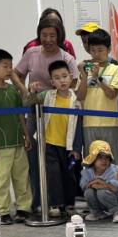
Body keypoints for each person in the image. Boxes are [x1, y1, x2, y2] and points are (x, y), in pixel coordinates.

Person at [13, 17, 79, 209]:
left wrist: (62, 93)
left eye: (52, 35)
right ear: (39, 35)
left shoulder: (67, 58)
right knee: (34, 157)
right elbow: (15, 74)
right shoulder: (32, 53)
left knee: (62, 161)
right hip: (35, 109)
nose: (48, 39)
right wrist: (26, 92)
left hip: (60, 113)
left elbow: (75, 82)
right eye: (44, 35)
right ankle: (37, 201)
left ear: (59, 36)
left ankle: (63, 202)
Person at [0, 49, 32, 225]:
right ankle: (2, 210)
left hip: (17, 142)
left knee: (22, 177)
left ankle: (24, 207)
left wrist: (26, 135)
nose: (9, 70)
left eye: (11, 66)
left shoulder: (13, 91)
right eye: (5, 66)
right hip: (0, 146)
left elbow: (20, 115)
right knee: (2, 179)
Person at [31, 60, 79, 217]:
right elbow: (31, 102)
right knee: (53, 175)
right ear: (52, 82)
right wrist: (32, 92)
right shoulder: (47, 96)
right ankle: (56, 204)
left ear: (71, 77)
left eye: (64, 76)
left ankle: (69, 204)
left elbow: (78, 126)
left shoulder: (76, 99)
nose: (62, 80)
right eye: (57, 78)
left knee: (69, 175)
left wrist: (76, 148)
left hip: (68, 146)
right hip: (49, 144)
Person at [75, 29, 118, 162]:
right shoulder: (86, 69)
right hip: (89, 123)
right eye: (93, 50)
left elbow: (112, 94)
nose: (96, 54)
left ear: (108, 49)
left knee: (113, 161)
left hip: (111, 123)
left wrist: (97, 78)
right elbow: (80, 96)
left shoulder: (115, 69)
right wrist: (84, 76)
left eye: (100, 50)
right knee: (91, 161)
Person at [79, 140, 118, 222]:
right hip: (103, 202)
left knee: (102, 192)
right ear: (93, 159)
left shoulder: (116, 171)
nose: (104, 160)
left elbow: (115, 189)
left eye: (107, 157)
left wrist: (101, 182)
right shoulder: (87, 172)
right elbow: (84, 186)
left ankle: (117, 213)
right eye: (100, 157)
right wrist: (94, 182)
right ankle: (97, 213)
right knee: (88, 192)